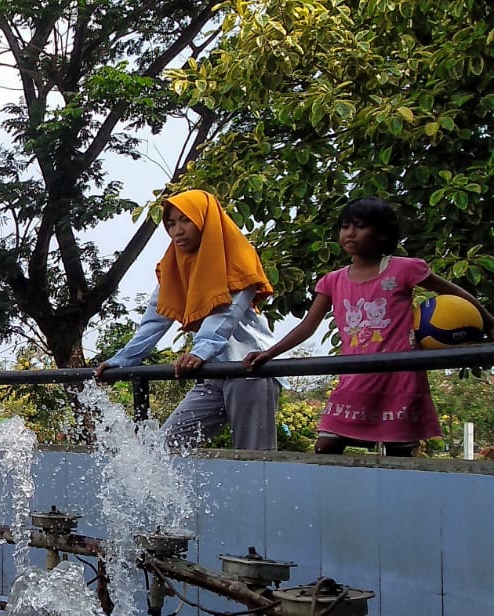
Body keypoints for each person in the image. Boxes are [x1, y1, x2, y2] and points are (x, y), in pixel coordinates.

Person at [244, 197, 494, 456]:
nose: (350, 233)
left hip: (400, 379)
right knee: (327, 445)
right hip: (355, 379)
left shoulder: (404, 269)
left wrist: (488, 322)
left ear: (382, 233)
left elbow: (453, 291)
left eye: (360, 226)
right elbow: (308, 326)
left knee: (400, 452)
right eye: (345, 226)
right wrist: (270, 353)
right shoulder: (332, 281)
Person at [95, 189, 281, 450]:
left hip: (249, 369)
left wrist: (200, 351)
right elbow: (154, 320)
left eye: (185, 221)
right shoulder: (174, 264)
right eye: (171, 224)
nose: (177, 231)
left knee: (254, 456)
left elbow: (227, 313)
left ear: (204, 220)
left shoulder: (238, 257)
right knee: (166, 448)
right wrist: (123, 360)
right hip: (211, 372)